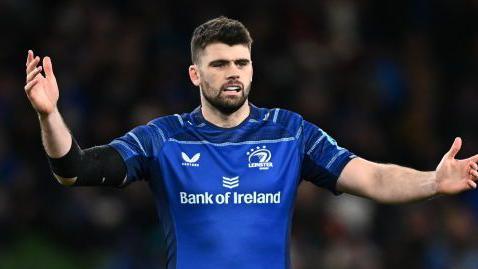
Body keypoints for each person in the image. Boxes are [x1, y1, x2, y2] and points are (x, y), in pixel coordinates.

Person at [24, 16, 478, 269]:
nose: (234, 72)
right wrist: (50, 114)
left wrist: (433, 182)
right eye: (220, 64)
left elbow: (373, 176)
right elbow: (75, 170)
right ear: (195, 75)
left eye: (241, 62)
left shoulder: (289, 131)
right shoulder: (163, 137)